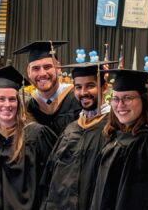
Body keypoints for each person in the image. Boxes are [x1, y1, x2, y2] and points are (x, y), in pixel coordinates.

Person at [0, 65, 57, 210]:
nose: (7, 104)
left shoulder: (36, 135)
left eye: (12, 99)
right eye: (1, 99)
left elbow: (51, 180)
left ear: (18, 103)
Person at [40, 61, 117, 210]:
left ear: (104, 87)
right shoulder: (70, 130)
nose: (83, 92)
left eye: (90, 86)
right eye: (78, 87)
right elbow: (50, 178)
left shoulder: (113, 129)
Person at [90, 69, 148, 210]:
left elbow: (138, 201)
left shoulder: (146, 145)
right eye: (115, 98)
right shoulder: (115, 136)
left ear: (144, 100)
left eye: (127, 98)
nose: (120, 105)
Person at [13, 41, 82, 136]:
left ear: (58, 68)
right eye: (36, 68)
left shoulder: (76, 99)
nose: (42, 73)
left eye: (47, 67)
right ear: (28, 72)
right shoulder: (27, 108)